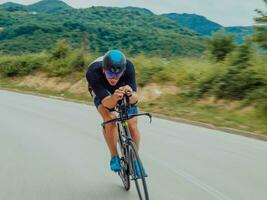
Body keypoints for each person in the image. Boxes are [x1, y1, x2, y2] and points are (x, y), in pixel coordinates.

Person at [86, 50, 144, 176]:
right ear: (103, 70)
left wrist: (130, 94)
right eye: (109, 73)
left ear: (123, 71)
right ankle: (114, 156)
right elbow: (107, 104)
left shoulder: (129, 67)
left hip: (122, 89)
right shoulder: (93, 72)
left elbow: (135, 99)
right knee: (110, 117)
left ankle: (135, 161)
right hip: (102, 91)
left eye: (118, 74)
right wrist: (114, 98)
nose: (113, 78)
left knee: (132, 125)